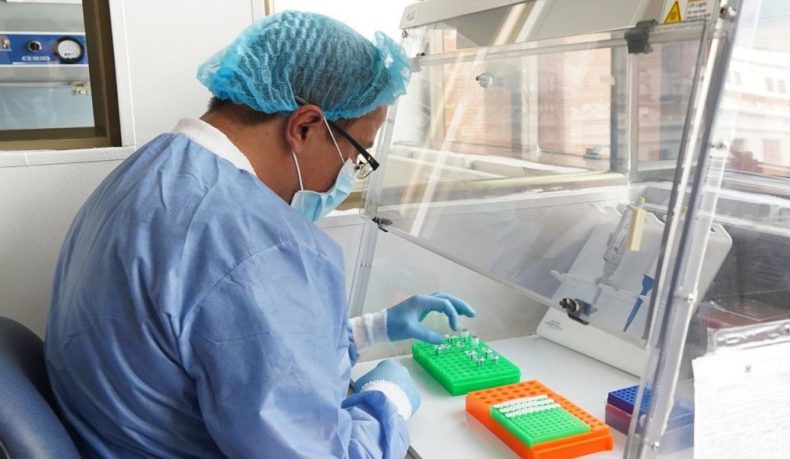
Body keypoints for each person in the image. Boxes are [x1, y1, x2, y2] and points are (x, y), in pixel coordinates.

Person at [44, 10, 476, 459]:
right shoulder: (253, 244)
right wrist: (390, 401)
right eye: (356, 154)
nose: (348, 173)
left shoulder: (150, 168)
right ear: (304, 126)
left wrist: (369, 329)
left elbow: (220, 344)